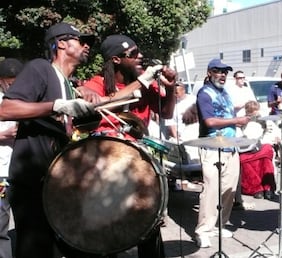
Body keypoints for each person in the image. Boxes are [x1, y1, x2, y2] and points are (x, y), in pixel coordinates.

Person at [0, 22, 102, 258]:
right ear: (62, 44)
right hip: (33, 180)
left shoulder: (67, 82)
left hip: (55, 180)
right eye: (80, 40)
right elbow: (5, 109)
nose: (86, 46)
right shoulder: (40, 69)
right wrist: (56, 105)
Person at [84, 34, 177, 257]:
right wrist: (143, 80)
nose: (140, 57)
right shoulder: (95, 84)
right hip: (105, 168)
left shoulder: (145, 86)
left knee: (147, 223)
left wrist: (171, 87)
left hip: (139, 164)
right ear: (116, 60)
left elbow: (166, 112)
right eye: (133, 54)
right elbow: (98, 108)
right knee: (109, 227)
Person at [194, 58, 249, 248]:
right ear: (209, 73)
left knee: (229, 190)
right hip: (211, 149)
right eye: (218, 71)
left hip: (230, 147)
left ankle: (219, 224)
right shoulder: (204, 93)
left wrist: (241, 118)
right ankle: (203, 230)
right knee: (211, 191)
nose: (223, 75)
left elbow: (227, 114)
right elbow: (209, 121)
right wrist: (235, 121)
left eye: (225, 72)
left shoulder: (225, 93)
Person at [0, 58, 23, 258]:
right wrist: (4, 135)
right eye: (9, 81)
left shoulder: (28, 100)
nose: (12, 85)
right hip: (1, 171)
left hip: (24, 169)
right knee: (1, 222)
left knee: (27, 220)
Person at [227, 70, 256, 210]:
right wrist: (239, 106)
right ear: (235, 79)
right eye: (239, 78)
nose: (242, 80)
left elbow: (253, 104)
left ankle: (240, 196)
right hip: (236, 126)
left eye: (244, 78)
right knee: (235, 164)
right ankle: (236, 198)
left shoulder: (247, 89)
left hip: (247, 124)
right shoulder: (230, 90)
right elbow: (230, 107)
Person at [238, 100, 276, 200]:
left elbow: (272, 133)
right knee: (243, 160)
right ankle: (256, 189)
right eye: (251, 111)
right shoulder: (242, 121)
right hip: (247, 148)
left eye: (255, 111)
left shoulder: (264, 120)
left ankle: (268, 188)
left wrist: (274, 138)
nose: (254, 113)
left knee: (266, 157)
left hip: (261, 145)